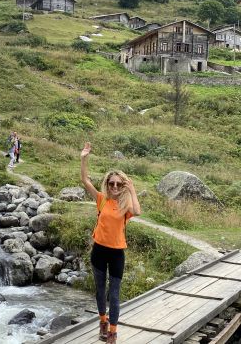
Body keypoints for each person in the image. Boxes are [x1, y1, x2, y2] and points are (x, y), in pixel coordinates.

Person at [80, 141, 141, 344]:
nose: (114, 186)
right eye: (111, 183)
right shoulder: (101, 199)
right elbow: (85, 180)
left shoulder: (126, 205)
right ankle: (102, 322)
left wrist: (132, 189)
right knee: (100, 290)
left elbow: (138, 211)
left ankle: (113, 333)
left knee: (114, 294)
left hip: (117, 253)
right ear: (107, 184)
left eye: (119, 184)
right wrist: (84, 158)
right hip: (99, 250)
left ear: (123, 186)